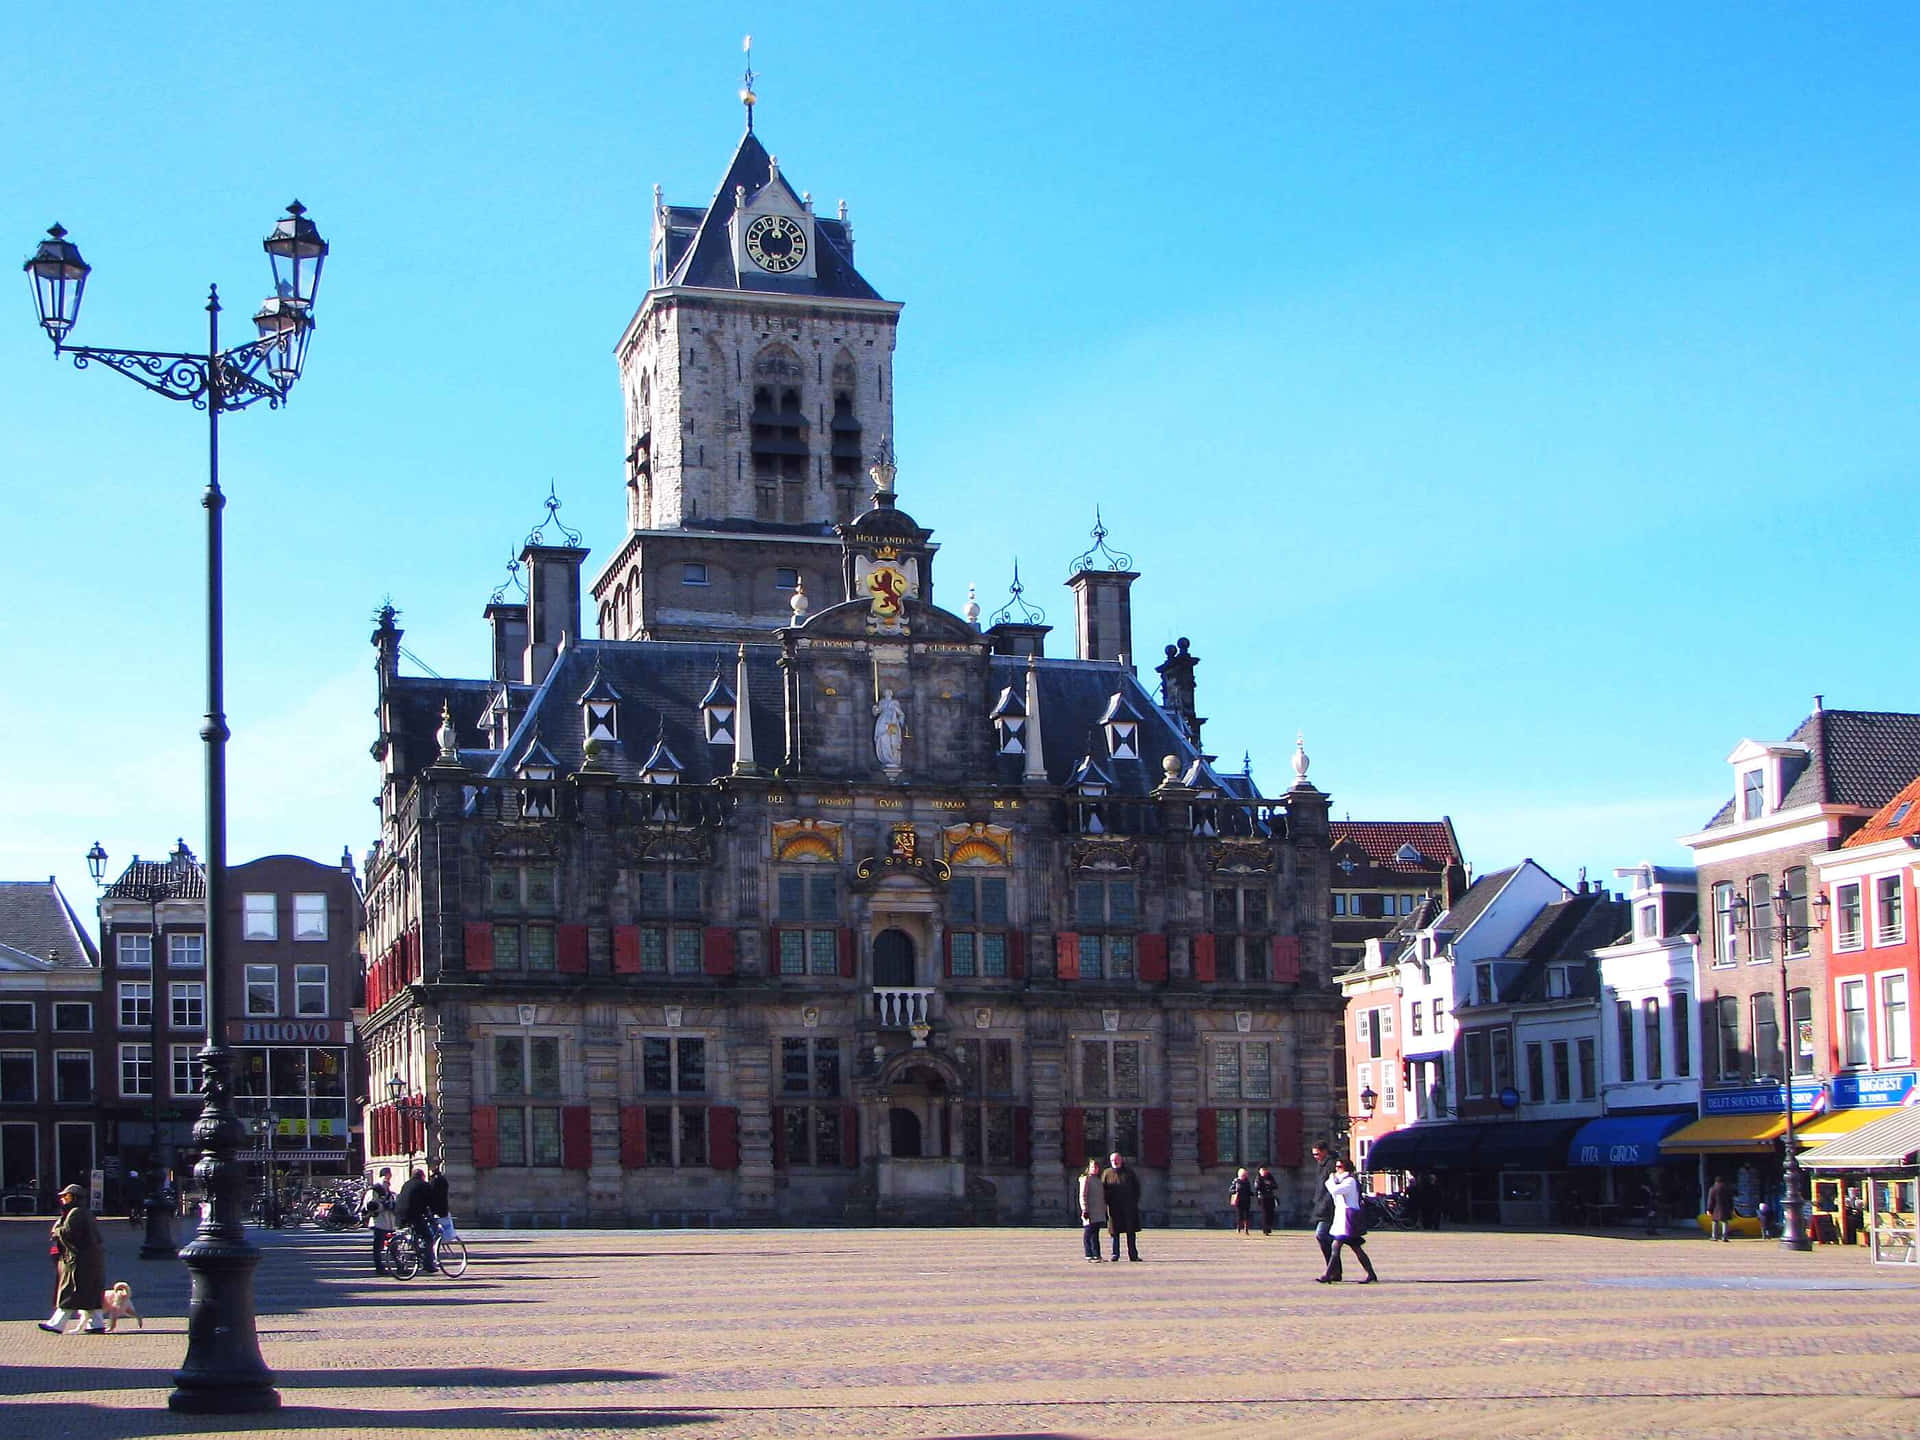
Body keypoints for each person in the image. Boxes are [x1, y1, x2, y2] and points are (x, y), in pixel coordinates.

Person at [41, 1184, 108, 1333]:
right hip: (90, 1259)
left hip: (78, 1260)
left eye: (67, 1196)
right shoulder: (84, 1212)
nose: (63, 1199)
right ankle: (96, 1324)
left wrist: (57, 1230)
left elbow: (69, 1233)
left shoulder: (76, 1213)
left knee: (70, 1291)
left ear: (75, 1198)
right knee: (91, 1293)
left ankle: (57, 1324)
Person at [1319, 1156, 1378, 1285]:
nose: (1336, 1170)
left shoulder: (1350, 1181)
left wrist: (1330, 1180)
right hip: (1342, 1218)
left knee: (1336, 1246)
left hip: (1348, 1219)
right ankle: (1371, 1274)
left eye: (1339, 1167)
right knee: (1356, 1248)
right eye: (1336, 1167)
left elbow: (1334, 1190)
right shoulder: (1343, 1180)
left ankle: (1327, 1275)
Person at [1100, 1151, 1143, 1262]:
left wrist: (1133, 1202)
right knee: (1115, 1233)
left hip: (1128, 1208)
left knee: (1131, 1232)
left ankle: (1133, 1255)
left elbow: (1137, 1189)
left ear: (1121, 1160)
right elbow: (1102, 1190)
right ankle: (1115, 1254)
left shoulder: (1129, 1173)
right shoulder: (1106, 1173)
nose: (1115, 1161)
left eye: (1117, 1159)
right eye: (1113, 1160)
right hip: (1114, 1208)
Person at [396, 1166, 437, 1273]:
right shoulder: (423, 1185)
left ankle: (411, 1253)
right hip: (413, 1215)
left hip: (400, 1215)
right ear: (422, 1176)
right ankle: (428, 1264)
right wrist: (433, 1215)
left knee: (414, 1235)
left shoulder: (406, 1184)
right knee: (428, 1238)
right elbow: (431, 1202)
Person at [1310, 1141, 1339, 1274]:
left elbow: (1331, 1187)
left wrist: (1323, 1203)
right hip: (1322, 1204)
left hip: (1329, 1207)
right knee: (1336, 1241)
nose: (1315, 1157)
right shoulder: (1321, 1164)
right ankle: (1333, 1270)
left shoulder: (1331, 1164)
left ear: (1324, 1151)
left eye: (1317, 1154)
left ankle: (1332, 1270)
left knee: (1321, 1235)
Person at [363, 1166, 397, 1274]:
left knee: (391, 1244)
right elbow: (371, 1205)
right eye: (389, 1174)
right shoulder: (377, 1188)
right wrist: (385, 1206)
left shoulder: (385, 1187)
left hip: (387, 1221)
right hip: (380, 1221)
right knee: (380, 1246)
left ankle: (397, 1265)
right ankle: (380, 1267)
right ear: (386, 1175)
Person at [1077, 1157, 1107, 1262]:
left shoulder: (1099, 1180)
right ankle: (1088, 1254)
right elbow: (1082, 1195)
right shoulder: (1086, 1179)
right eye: (1093, 1167)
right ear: (1089, 1168)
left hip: (1098, 1211)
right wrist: (1084, 1209)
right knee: (1088, 1234)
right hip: (1089, 1211)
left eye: (1096, 1167)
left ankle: (1097, 1254)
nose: (1095, 1169)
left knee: (1096, 1235)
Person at [428, 1163, 452, 1249]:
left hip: (435, 1209)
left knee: (431, 1232)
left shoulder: (433, 1180)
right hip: (442, 1208)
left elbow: (430, 1195)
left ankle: (430, 1248)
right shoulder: (443, 1179)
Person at [1706, 1174, 1734, 1243]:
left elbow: (1711, 1200)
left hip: (1716, 1208)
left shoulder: (1713, 1188)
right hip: (1725, 1207)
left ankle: (1714, 1237)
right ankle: (1724, 1237)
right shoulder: (1727, 1188)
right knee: (1725, 1222)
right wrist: (1731, 1207)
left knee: (1715, 1221)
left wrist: (1709, 1209)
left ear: (1715, 1181)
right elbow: (1730, 1199)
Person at [1228, 1167, 1254, 1235]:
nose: (1244, 1176)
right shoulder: (1236, 1181)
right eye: (1243, 1175)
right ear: (1239, 1175)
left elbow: (1248, 1190)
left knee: (1246, 1215)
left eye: (1245, 1175)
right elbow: (1230, 1190)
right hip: (1239, 1201)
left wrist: (1251, 1193)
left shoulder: (1247, 1181)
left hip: (1246, 1200)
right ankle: (1238, 1228)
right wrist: (1236, 1191)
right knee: (1239, 1215)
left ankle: (1246, 1229)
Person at [1254, 1166, 1279, 1236]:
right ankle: (1265, 1229)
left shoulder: (1270, 1177)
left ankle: (1269, 1227)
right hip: (1262, 1197)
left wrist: (1269, 1184)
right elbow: (1257, 1187)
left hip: (1270, 1197)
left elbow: (1275, 1186)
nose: (1264, 1172)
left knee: (1271, 1213)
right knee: (1265, 1213)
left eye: (1265, 1170)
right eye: (1262, 1170)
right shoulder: (1258, 1178)